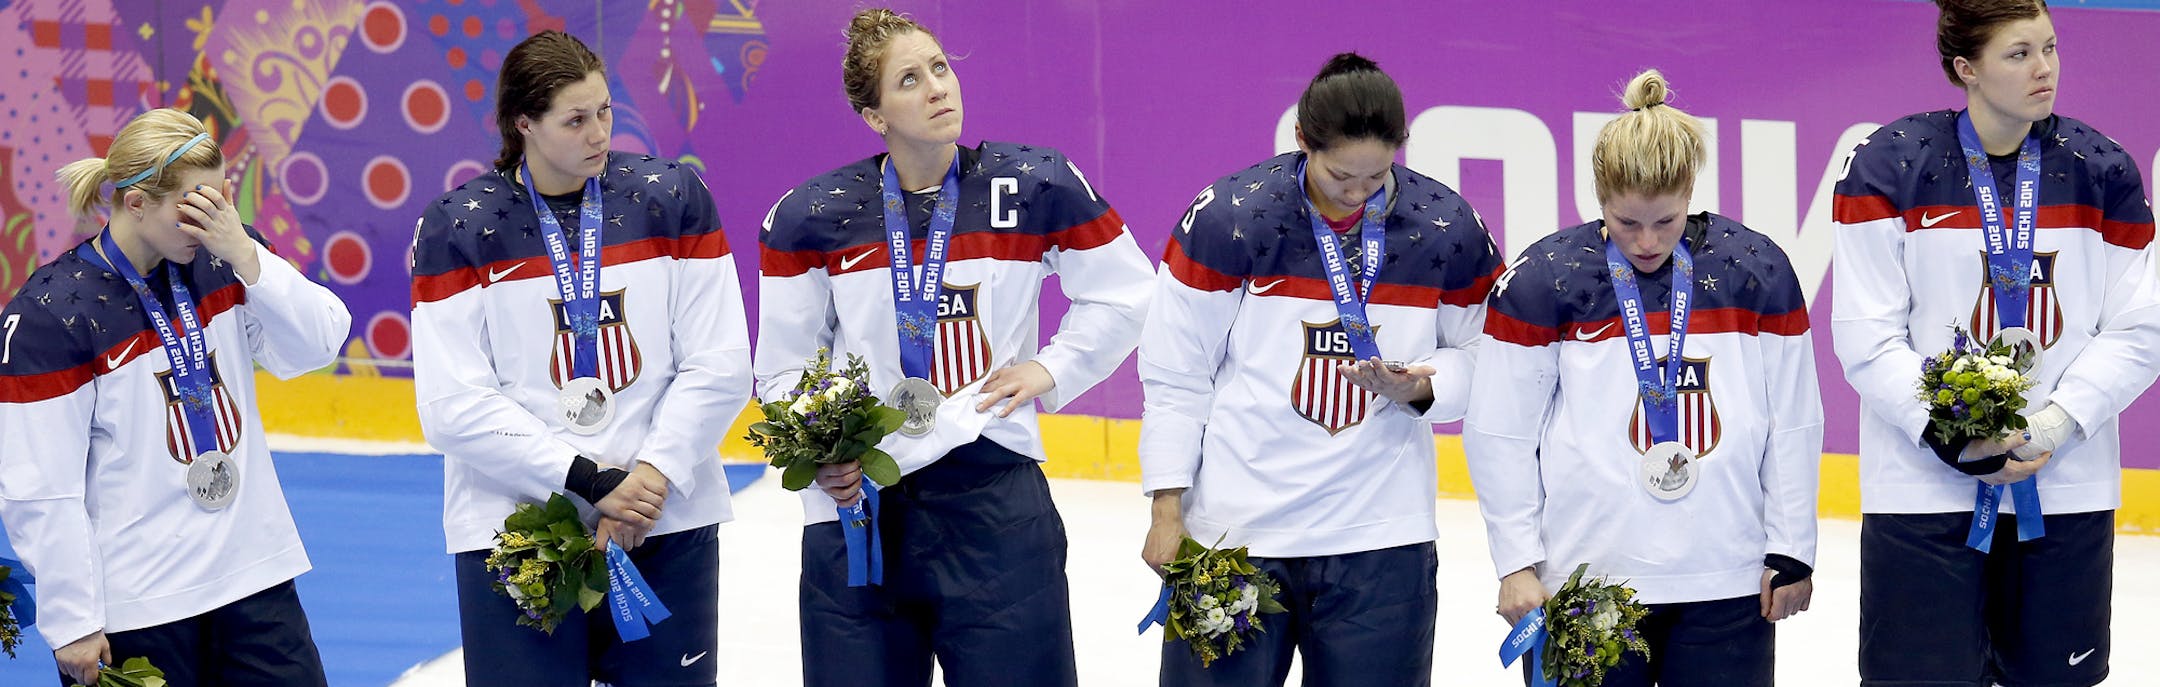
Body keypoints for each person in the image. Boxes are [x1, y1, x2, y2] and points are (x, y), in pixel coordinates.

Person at [754, 8, 1153, 686]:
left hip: (995, 503)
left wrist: (1051, 365)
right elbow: (784, 366)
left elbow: (1128, 292)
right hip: (860, 511)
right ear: (874, 115)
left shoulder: (1034, 186)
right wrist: (821, 452)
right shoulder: (813, 215)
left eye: (940, 68)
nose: (938, 87)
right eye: (910, 79)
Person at [1136, 53, 1500, 686]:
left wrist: (1419, 386)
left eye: (1376, 176)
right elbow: (1176, 372)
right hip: (1235, 537)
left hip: (1381, 543)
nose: (1357, 196)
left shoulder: (1446, 229)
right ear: (1302, 141)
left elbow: (1484, 358)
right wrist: (1168, 510)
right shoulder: (1230, 217)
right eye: (1339, 178)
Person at [409, 30, 751, 686]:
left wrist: (645, 480)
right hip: (516, 532)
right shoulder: (460, 225)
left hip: (665, 521)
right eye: (575, 119)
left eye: (605, 112)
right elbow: (452, 406)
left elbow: (720, 361)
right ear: (523, 124)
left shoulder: (671, 197)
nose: (598, 133)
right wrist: (591, 481)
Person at [1831, 1, 2159, 684]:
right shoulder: (1890, 167)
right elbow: (1866, 334)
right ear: (1965, 69)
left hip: (2063, 491)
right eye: (2019, 54)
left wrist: (2054, 424)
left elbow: (2142, 326)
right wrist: (1951, 432)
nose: (2045, 69)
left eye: (2050, 46)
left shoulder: (2103, 170)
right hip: (1922, 497)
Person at [1465, 69, 1822, 686]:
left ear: (1689, 192)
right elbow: (1501, 431)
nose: (1647, 241)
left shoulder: (1756, 268)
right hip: (1584, 581)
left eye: (1667, 220)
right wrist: (1516, 561)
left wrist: (1793, 548)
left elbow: (1792, 419)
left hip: (1726, 581)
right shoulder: (1544, 277)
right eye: (1626, 222)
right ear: (1599, 198)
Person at [0, 107, 350, 686]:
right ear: (136, 203)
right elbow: (41, 486)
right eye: (193, 207)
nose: (211, 222)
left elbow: (319, 344)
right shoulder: (51, 315)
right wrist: (72, 621)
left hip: (253, 578)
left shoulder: (225, 256)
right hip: (141, 603)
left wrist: (247, 253)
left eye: (220, 202)